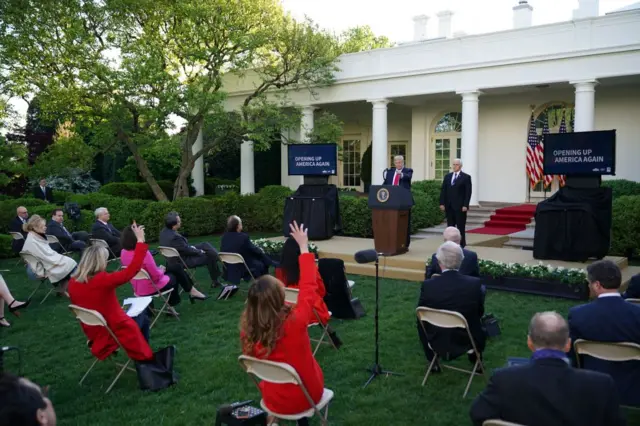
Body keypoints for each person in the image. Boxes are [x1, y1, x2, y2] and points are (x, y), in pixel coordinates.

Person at [470, 312, 624, 426]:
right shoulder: (601, 384)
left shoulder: (504, 379)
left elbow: (478, 415)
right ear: (568, 344)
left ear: (529, 343)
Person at [240, 222, 325, 426]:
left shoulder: (248, 330)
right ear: (280, 298)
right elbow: (308, 287)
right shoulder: (296, 321)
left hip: (272, 398)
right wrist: (304, 248)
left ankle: (274, 419)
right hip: (306, 396)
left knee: (281, 377)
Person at [68, 222, 154, 361]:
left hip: (94, 331)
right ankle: (144, 356)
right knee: (142, 315)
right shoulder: (102, 280)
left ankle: (142, 352)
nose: (107, 263)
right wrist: (140, 241)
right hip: (110, 331)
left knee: (137, 313)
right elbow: (132, 270)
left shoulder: (73, 282)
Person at [568, 259, 640, 407]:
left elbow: (570, 358)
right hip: (633, 390)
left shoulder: (578, 315)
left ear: (597, 285)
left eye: (589, 282)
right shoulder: (637, 315)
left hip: (590, 388)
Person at [417, 241, 485, 371]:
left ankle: (432, 360)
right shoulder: (474, 284)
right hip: (465, 340)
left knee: (420, 322)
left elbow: (421, 316)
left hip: (435, 337)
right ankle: (476, 360)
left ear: (439, 262)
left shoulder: (428, 285)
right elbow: (479, 312)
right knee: (478, 324)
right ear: (461, 260)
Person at [119, 225, 208, 311]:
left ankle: (191, 291)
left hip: (138, 288)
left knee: (174, 267)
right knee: (174, 275)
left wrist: (159, 269)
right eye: (142, 233)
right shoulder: (144, 253)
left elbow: (139, 268)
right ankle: (173, 303)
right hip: (151, 287)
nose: (144, 234)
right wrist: (161, 270)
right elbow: (155, 276)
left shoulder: (123, 252)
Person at [276, 237, 342, 348]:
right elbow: (321, 290)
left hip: (286, 310)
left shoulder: (280, 270)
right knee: (315, 305)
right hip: (309, 310)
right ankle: (332, 336)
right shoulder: (308, 269)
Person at [159, 212, 222, 288]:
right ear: (174, 225)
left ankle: (219, 257)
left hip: (174, 259)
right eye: (179, 221)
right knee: (210, 256)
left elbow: (183, 248)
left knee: (205, 245)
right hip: (183, 261)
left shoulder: (163, 232)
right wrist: (199, 251)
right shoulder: (175, 237)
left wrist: (192, 248)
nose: (181, 222)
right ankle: (216, 280)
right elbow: (187, 251)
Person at [21, 215, 77, 295]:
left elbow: (46, 254)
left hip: (36, 266)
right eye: (43, 226)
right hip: (37, 270)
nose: (45, 227)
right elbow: (46, 257)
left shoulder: (33, 236)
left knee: (69, 263)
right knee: (71, 264)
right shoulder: (33, 241)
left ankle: (63, 290)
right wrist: (61, 259)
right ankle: (75, 290)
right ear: (35, 227)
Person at [220, 215, 276, 283]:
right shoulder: (243, 237)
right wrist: (260, 251)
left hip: (229, 269)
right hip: (242, 269)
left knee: (258, 256)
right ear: (238, 226)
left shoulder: (224, 237)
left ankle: (270, 264)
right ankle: (264, 284)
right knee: (261, 261)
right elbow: (254, 250)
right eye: (241, 223)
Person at [439, 158, 472, 247]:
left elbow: (468, 192)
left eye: (456, 164)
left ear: (460, 166)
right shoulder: (448, 176)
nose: (454, 166)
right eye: (453, 164)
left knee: (460, 227)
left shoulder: (466, 177)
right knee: (450, 227)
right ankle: (450, 244)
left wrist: (465, 205)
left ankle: (461, 245)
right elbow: (443, 191)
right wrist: (442, 203)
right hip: (449, 206)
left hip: (460, 207)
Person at [383, 155, 413, 248]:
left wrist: (400, 174)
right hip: (391, 202)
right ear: (394, 163)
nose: (398, 164)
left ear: (403, 162)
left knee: (404, 224)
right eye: (396, 162)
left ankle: (405, 244)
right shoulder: (390, 172)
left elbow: (407, 177)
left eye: (400, 162)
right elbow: (385, 185)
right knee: (391, 223)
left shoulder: (408, 171)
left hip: (403, 202)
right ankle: (391, 242)